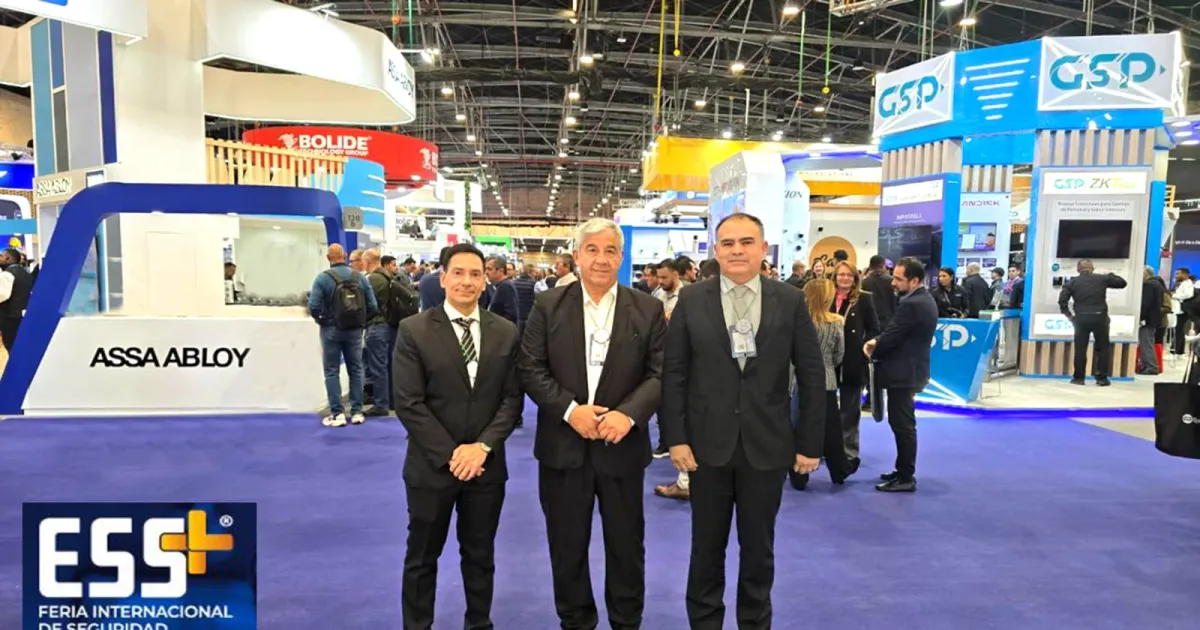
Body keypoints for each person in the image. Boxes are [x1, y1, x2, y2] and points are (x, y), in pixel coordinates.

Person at [660, 212, 825, 629]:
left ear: (763, 248)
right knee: (705, 550)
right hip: (705, 448)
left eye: (747, 242)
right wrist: (675, 437)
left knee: (758, 551)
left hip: (767, 447)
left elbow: (811, 373)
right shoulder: (691, 300)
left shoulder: (789, 300)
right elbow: (674, 373)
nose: (737, 250)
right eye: (728, 243)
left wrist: (810, 443)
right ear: (716, 250)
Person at [520, 218, 665, 629]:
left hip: (622, 448)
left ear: (621, 257)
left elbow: (660, 372)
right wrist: (570, 411)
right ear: (577, 256)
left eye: (610, 251)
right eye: (593, 250)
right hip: (563, 450)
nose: (601, 259)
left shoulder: (647, 308)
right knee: (566, 549)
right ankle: (575, 621)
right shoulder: (549, 306)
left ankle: (626, 621)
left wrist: (628, 414)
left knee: (626, 547)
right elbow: (530, 367)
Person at [392, 243, 523, 630]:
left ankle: (479, 623)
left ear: (485, 281)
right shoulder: (414, 330)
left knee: (480, 555)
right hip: (431, 466)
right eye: (459, 273)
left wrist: (482, 447)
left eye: (475, 274)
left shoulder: (505, 332)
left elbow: (512, 399)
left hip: (486, 466)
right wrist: (454, 454)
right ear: (443, 278)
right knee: (422, 556)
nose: (467, 281)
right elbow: (409, 403)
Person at [864, 257, 938, 493]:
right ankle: (902, 470)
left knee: (903, 425)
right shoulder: (922, 299)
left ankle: (906, 476)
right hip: (908, 371)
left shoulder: (912, 304)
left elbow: (893, 334)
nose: (893, 282)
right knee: (901, 423)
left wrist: (874, 345)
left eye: (898, 279)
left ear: (914, 280)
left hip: (904, 373)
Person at [308, 244, 378, 427]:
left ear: (328, 257)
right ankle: (357, 412)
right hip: (354, 331)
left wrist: (322, 320)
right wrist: (361, 322)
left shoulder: (322, 278)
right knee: (356, 369)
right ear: (345, 256)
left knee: (332, 371)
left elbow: (313, 306)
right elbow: (373, 306)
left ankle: (337, 413)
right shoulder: (359, 277)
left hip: (330, 330)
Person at [788, 278, 847, 491]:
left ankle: (797, 476)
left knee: (797, 427)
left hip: (797, 381)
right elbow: (839, 354)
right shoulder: (836, 322)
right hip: (826, 381)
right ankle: (839, 472)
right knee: (832, 432)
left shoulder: (795, 322)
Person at [830, 261, 880, 475]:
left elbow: (874, 328)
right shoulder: (826, 296)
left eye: (849, 275)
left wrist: (865, 347)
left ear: (855, 278)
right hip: (828, 361)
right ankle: (825, 448)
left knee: (850, 411)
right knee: (825, 409)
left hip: (853, 361)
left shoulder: (865, 299)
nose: (844, 279)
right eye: (841, 275)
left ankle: (849, 453)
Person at [1058, 260, 1127, 386]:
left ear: (1078, 269)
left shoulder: (1072, 282)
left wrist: (1070, 317)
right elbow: (1122, 283)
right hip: (1100, 317)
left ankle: (1079, 378)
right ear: (1093, 268)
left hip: (1081, 318)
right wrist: (1110, 275)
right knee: (1103, 348)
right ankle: (1102, 378)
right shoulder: (1102, 279)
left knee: (1080, 349)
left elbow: (1062, 301)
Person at [0, 247, 32, 353]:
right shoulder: (25, 273)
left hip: (9, 317)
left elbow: (2, 294)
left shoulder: (7, 274)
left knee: (11, 346)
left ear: (8, 258)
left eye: (1, 256)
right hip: (21, 315)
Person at [1139, 266, 1165, 376]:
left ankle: (1151, 367)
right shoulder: (1157, 284)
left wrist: (1141, 317)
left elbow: (1145, 303)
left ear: (1146, 273)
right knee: (1147, 342)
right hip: (1153, 319)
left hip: (1147, 319)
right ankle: (1146, 366)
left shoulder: (1148, 285)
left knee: (1146, 343)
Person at [862, 255, 896, 328]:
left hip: (871, 322)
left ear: (870, 267)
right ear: (883, 266)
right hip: (890, 322)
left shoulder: (864, 283)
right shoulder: (892, 281)